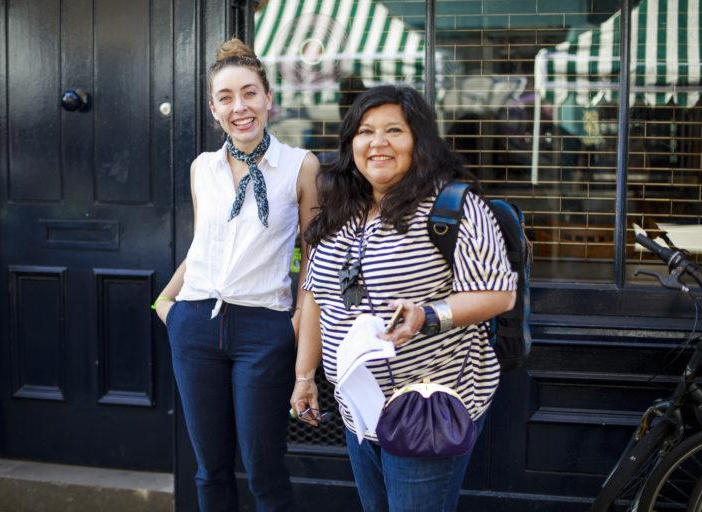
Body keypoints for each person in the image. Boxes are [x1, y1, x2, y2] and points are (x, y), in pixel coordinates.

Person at [289, 85, 517, 512]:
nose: (378, 142)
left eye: (393, 130)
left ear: (419, 140)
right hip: (359, 410)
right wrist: (305, 376)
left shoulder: (454, 208)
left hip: (427, 408)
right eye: (365, 131)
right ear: (350, 143)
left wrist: (428, 315)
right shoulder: (340, 208)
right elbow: (316, 296)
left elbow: (499, 294)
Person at [153, 37, 320, 512]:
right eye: (226, 98)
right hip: (195, 325)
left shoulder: (300, 166)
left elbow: (315, 258)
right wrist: (165, 304)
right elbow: (201, 248)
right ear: (213, 110)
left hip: (263, 329)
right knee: (210, 469)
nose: (239, 107)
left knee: (264, 468)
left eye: (249, 93)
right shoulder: (201, 168)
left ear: (269, 98)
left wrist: (295, 323)